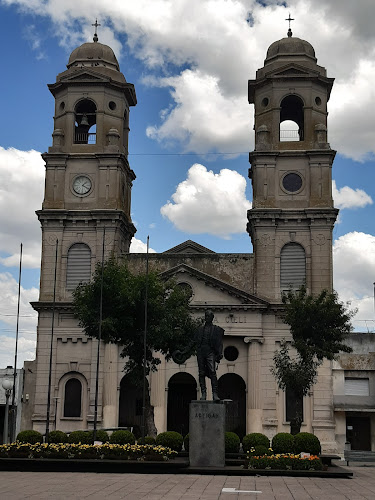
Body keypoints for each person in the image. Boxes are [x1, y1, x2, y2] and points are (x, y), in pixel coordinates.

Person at [195, 310, 224, 401]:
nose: (207, 317)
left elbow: (219, 342)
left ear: (212, 318)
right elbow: (193, 342)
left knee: (212, 372)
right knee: (201, 373)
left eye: (209, 316)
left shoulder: (216, 329)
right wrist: (184, 352)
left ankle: (214, 394)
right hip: (201, 352)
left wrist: (219, 353)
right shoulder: (200, 330)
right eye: (206, 316)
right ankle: (203, 393)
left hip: (210, 352)